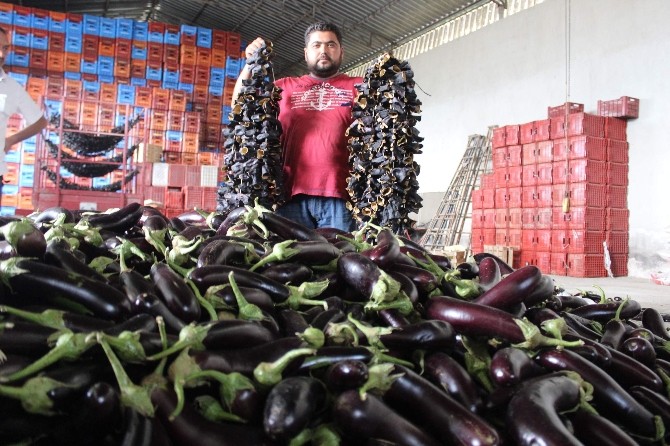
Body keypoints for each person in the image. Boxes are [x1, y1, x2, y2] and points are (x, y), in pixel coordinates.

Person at [232, 22, 362, 231]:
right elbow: (240, 105)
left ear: (341, 52)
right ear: (306, 52)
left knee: (339, 259)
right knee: (290, 261)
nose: (323, 50)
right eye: (316, 45)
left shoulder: (359, 87)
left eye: (331, 45)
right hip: (289, 196)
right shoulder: (284, 87)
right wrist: (250, 64)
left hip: (340, 198)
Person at [0, 27, 47, 186]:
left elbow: (40, 122)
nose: (1, 54)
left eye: (5, 48)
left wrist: (11, 140)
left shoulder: (11, 87)